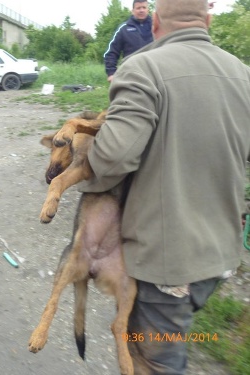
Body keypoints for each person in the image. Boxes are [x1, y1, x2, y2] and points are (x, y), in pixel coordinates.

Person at [73, 0, 250, 373]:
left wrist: (81, 149)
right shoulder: (242, 73)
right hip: (219, 257)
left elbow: (112, 160)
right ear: (208, 20)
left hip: (166, 269)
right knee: (166, 348)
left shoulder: (143, 68)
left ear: (154, 23)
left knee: (154, 361)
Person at [104, 0, 153, 82]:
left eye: (144, 7)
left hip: (154, 72)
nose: (141, 10)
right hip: (131, 74)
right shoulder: (124, 29)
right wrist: (111, 73)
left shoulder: (157, 26)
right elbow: (111, 52)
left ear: (148, 9)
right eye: (138, 8)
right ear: (132, 11)